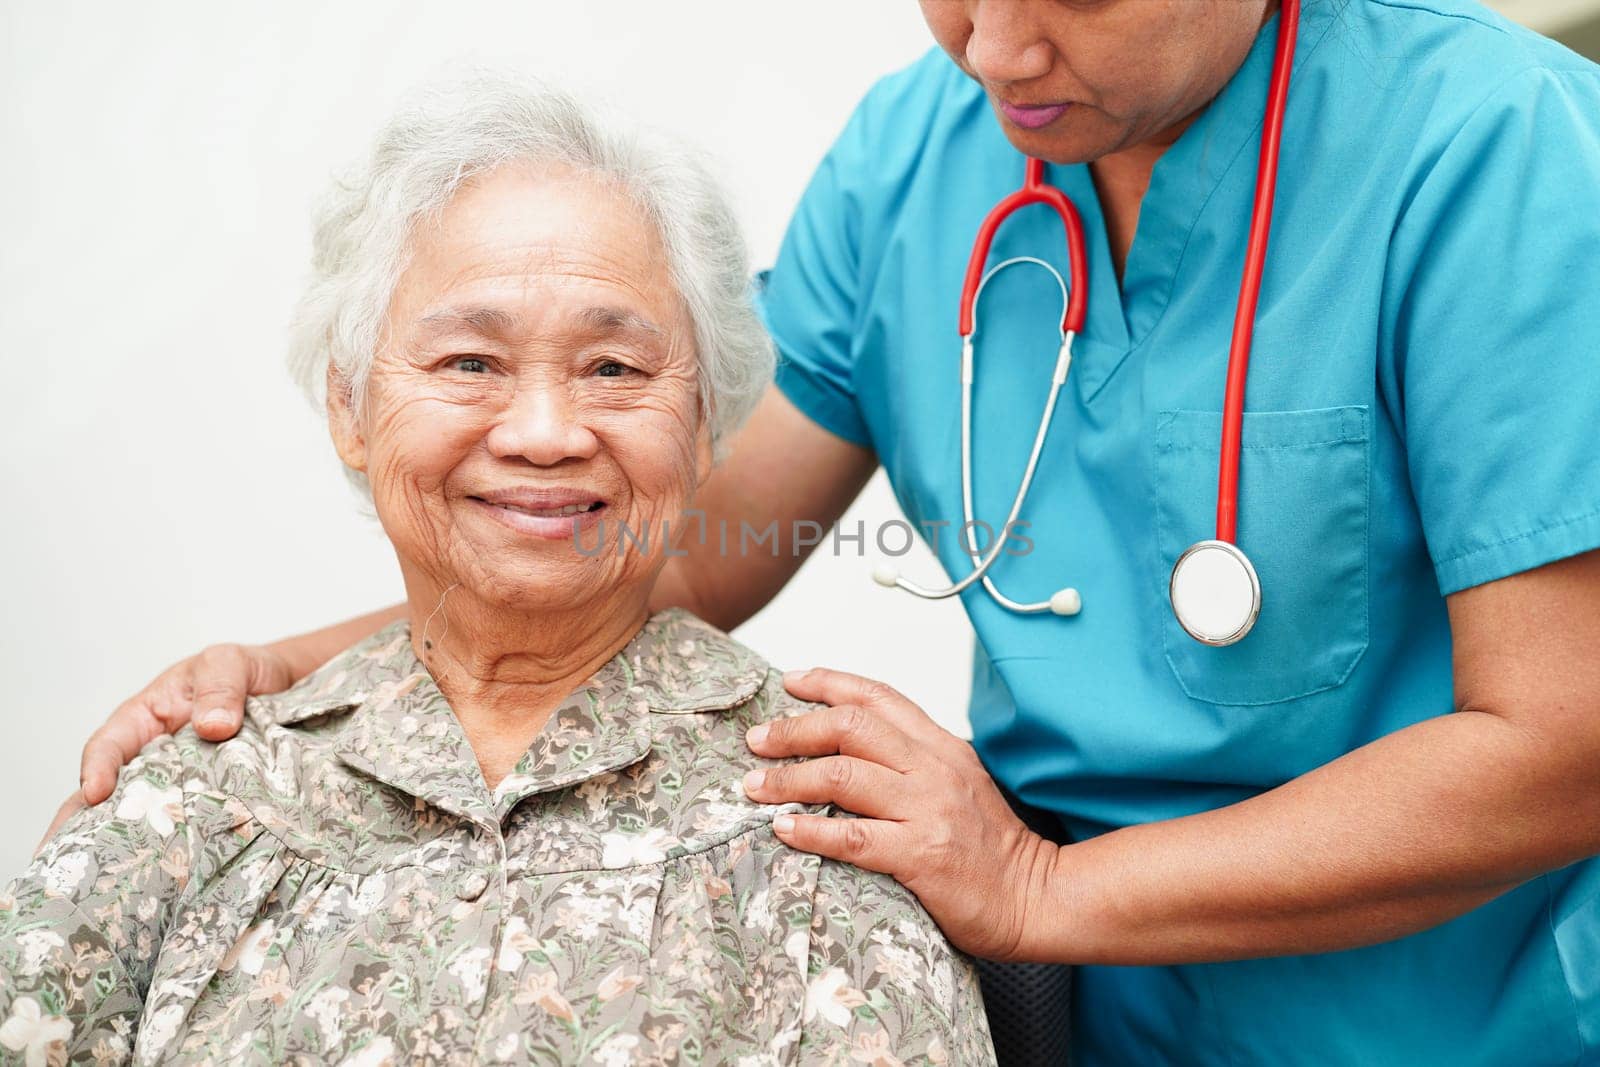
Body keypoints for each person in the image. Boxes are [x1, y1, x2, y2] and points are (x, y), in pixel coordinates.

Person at [57, 0, 1600, 1063]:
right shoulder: (926, 149)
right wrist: (280, 668)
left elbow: (1563, 740)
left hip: (1444, 1018)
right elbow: (670, 535)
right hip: (1071, 1017)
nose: (995, 48)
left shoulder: (1497, 148)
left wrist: (1046, 893)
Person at [1, 73, 995, 1066]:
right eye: (470, 361)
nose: (544, 432)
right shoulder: (187, 796)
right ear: (350, 407)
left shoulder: (828, 821)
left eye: (614, 368)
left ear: (706, 425)